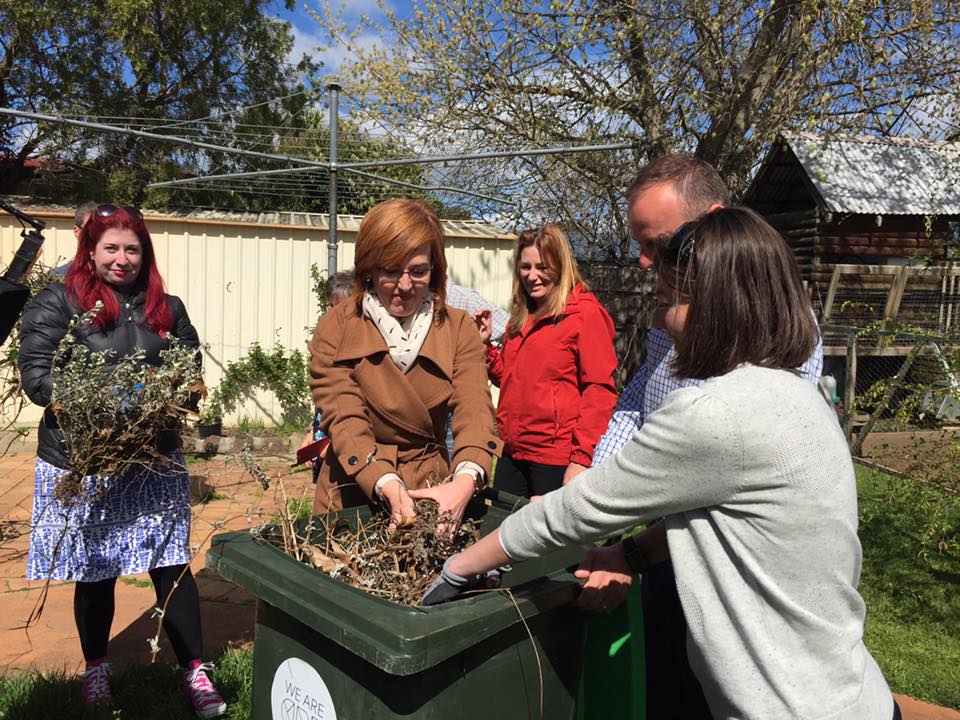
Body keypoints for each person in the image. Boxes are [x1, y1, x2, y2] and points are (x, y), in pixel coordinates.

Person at [425, 207, 898, 720]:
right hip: (852, 696)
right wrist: (628, 557)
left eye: (669, 302)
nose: (656, 318)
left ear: (717, 308)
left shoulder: (716, 414)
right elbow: (726, 524)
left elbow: (576, 512)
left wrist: (456, 570)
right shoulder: (802, 398)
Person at [588, 154, 824, 720]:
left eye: (658, 243)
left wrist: (613, 532)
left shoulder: (778, 334)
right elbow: (637, 401)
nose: (645, 262)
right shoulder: (680, 312)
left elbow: (721, 490)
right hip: (667, 550)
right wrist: (597, 479)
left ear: (711, 225)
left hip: (736, 579)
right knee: (666, 684)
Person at [19, 205, 227, 719]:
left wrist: (174, 396)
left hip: (153, 457)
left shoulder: (167, 307)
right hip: (84, 460)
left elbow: (189, 369)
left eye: (132, 249)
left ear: (145, 254)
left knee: (170, 565)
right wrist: (101, 405)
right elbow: (37, 375)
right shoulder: (59, 301)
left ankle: (195, 671)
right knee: (96, 570)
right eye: (111, 247)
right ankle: (96, 671)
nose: (122, 258)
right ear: (90, 249)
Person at [308, 198, 501, 532]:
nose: (405, 286)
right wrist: (385, 480)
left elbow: (475, 410)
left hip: (433, 494)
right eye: (391, 270)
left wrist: (466, 478)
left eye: (418, 271)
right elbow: (344, 415)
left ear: (435, 269)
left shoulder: (457, 328)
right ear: (368, 268)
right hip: (354, 490)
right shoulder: (336, 327)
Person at [477, 223, 617, 498]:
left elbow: (600, 390)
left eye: (543, 267)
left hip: (554, 458)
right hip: (512, 451)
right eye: (525, 267)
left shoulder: (584, 314)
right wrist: (486, 347)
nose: (532, 276)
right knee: (504, 534)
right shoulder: (523, 316)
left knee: (549, 539)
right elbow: (511, 378)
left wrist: (580, 459)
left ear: (561, 266)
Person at [300, 269, 355, 482]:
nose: (331, 313)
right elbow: (324, 400)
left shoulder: (359, 348)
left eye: (339, 308)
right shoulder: (326, 342)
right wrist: (311, 432)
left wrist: (337, 442)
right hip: (325, 441)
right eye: (329, 307)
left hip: (350, 447)